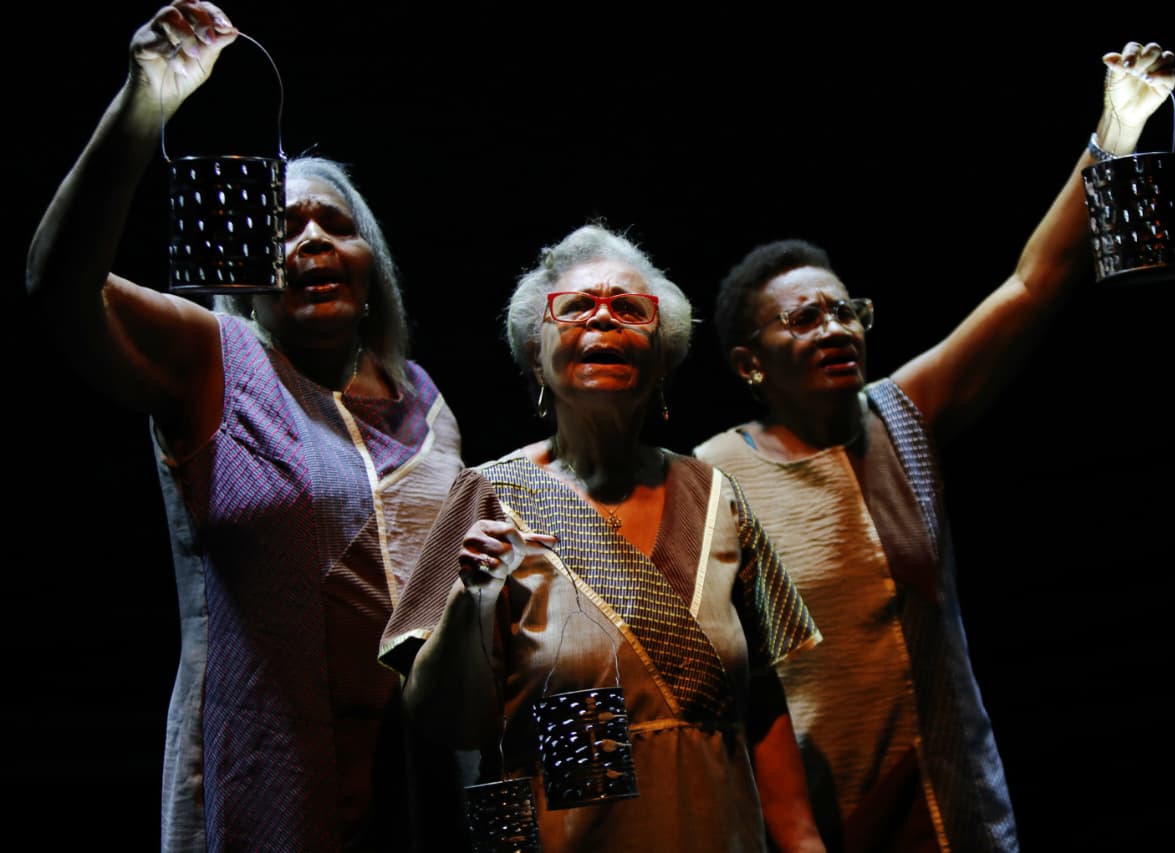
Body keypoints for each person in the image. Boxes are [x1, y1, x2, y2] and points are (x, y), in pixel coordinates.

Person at [693, 42, 1175, 853]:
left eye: (845, 310)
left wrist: (1114, 133)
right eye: (804, 318)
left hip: (959, 810)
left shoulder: (898, 417)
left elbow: (1033, 284)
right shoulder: (713, 475)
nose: (835, 328)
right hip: (823, 823)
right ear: (750, 364)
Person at [25, 3, 463, 849]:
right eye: (281, 226)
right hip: (267, 771)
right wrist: (143, 106)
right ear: (244, 269)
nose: (311, 241)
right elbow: (60, 284)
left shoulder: (425, 401)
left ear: (372, 266)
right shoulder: (214, 358)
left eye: (335, 224)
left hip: (412, 781)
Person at [378, 224, 825, 852]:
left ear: (663, 356)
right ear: (537, 355)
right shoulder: (488, 493)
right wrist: (471, 597)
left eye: (630, 309)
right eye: (577, 306)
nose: (603, 318)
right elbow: (444, 719)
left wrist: (802, 840)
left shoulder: (716, 495)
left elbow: (764, 699)